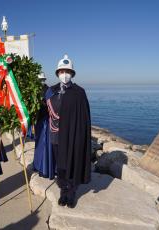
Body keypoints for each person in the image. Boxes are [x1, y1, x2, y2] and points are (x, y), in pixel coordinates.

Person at [46, 54, 91, 208]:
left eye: (67, 71)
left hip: (72, 137)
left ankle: (71, 193)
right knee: (61, 166)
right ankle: (63, 191)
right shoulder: (51, 91)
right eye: (61, 71)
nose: (64, 75)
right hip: (56, 136)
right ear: (57, 73)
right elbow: (43, 110)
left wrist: (81, 137)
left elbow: (84, 118)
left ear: (72, 74)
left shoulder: (79, 92)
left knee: (72, 164)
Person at [33, 72, 56, 179]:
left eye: (42, 79)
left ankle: (45, 168)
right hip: (40, 121)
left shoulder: (49, 91)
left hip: (46, 121)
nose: (41, 81)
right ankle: (39, 165)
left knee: (46, 144)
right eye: (40, 79)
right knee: (39, 143)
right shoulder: (35, 90)